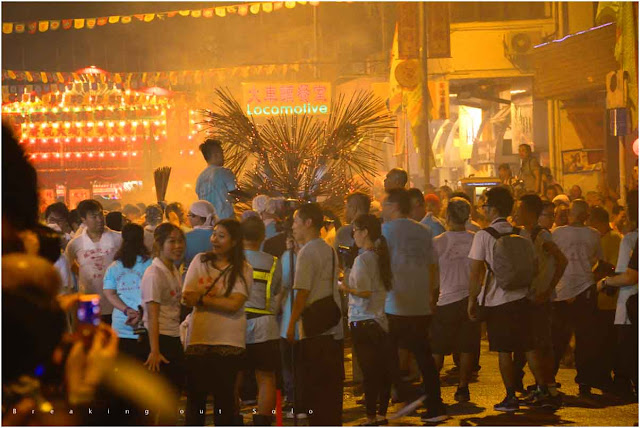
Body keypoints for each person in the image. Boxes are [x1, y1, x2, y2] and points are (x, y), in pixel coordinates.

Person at [381, 189, 447, 422]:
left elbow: (381, 264)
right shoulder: (424, 230)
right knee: (423, 355)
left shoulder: (386, 231)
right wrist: (430, 295)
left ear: (394, 206)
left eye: (384, 204)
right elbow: (432, 266)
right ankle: (434, 404)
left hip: (395, 302)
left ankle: (405, 392)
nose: (382, 208)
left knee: (388, 352)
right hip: (420, 302)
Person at [468, 186, 536, 412]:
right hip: (524, 298)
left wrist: (471, 300)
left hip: (498, 302)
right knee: (528, 346)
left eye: (485, 206)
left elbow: (475, 272)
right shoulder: (521, 232)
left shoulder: (483, 235)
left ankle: (510, 396)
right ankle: (544, 390)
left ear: (493, 208)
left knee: (504, 351)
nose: (483, 210)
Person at [181, 219, 253, 426]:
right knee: (196, 399)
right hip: (199, 339)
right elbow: (187, 296)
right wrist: (220, 301)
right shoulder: (200, 261)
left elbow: (234, 304)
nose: (215, 239)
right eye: (214, 234)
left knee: (224, 399)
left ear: (234, 241)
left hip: (229, 342)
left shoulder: (243, 269)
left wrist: (203, 300)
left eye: (221, 236)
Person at [286, 203, 344, 426]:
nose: (293, 227)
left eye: (296, 221)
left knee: (315, 387)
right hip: (331, 326)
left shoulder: (307, 252)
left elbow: (302, 293)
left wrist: (291, 324)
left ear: (308, 223)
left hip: (314, 329)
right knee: (330, 389)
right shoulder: (326, 248)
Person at [512, 194, 567, 408]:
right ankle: (545, 387)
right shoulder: (522, 233)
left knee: (538, 345)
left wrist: (548, 289)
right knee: (535, 344)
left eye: (520, 209)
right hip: (529, 297)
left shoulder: (541, 235)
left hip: (539, 299)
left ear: (530, 212)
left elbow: (562, 261)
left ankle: (547, 389)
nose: (516, 213)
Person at [340, 214, 394, 426]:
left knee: (370, 372)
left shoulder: (362, 260)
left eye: (355, 230)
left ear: (365, 232)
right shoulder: (380, 256)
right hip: (381, 319)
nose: (353, 234)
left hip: (363, 321)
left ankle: (371, 417)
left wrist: (345, 287)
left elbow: (363, 292)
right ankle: (381, 413)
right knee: (381, 371)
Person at [551, 199, 603, 397]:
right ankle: (584, 383)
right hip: (585, 289)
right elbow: (599, 260)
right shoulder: (594, 234)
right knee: (584, 339)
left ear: (571, 213)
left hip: (562, 290)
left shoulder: (557, 233)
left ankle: (550, 380)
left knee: (557, 338)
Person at [430, 197, 479, 403]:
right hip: (470, 298)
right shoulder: (476, 239)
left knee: (438, 348)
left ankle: (433, 390)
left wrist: (431, 301)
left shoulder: (438, 241)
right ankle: (462, 387)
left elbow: (432, 274)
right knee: (467, 346)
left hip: (445, 300)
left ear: (447, 215)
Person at [239, 216, 283, 426]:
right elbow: (275, 291)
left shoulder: (232, 259)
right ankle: (263, 422)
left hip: (235, 324)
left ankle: (231, 419)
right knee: (266, 377)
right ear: (262, 236)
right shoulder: (273, 262)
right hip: (265, 325)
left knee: (234, 376)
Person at [598, 190, 638, 397]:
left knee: (628, 354)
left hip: (631, 305)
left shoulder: (631, 239)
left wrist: (605, 281)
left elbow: (627, 276)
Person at [65, 199, 122, 324]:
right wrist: (82, 273)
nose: (100, 219)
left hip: (117, 301)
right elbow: (67, 265)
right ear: (83, 220)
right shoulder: (75, 244)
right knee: (90, 337)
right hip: (88, 300)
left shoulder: (118, 238)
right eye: (94, 216)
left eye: (101, 214)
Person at [103, 223, 152, 361]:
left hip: (121, 324)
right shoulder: (151, 264)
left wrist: (126, 310)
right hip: (146, 322)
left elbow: (109, 293)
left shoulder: (114, 266)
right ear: (142, 239)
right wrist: (140, 312)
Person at [196, 138, 240, 220]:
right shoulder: (225, 173)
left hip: (208, 223)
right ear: (216, 155)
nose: (224, 156)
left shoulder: (200, 179)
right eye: (222, 153)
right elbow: (235, 196)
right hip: (226, 221)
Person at [184, 200, 217, 272]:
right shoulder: (219, 236)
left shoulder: (186, 238)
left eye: (190, 215)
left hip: (191, 277)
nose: (188, 218)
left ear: (198, 218)